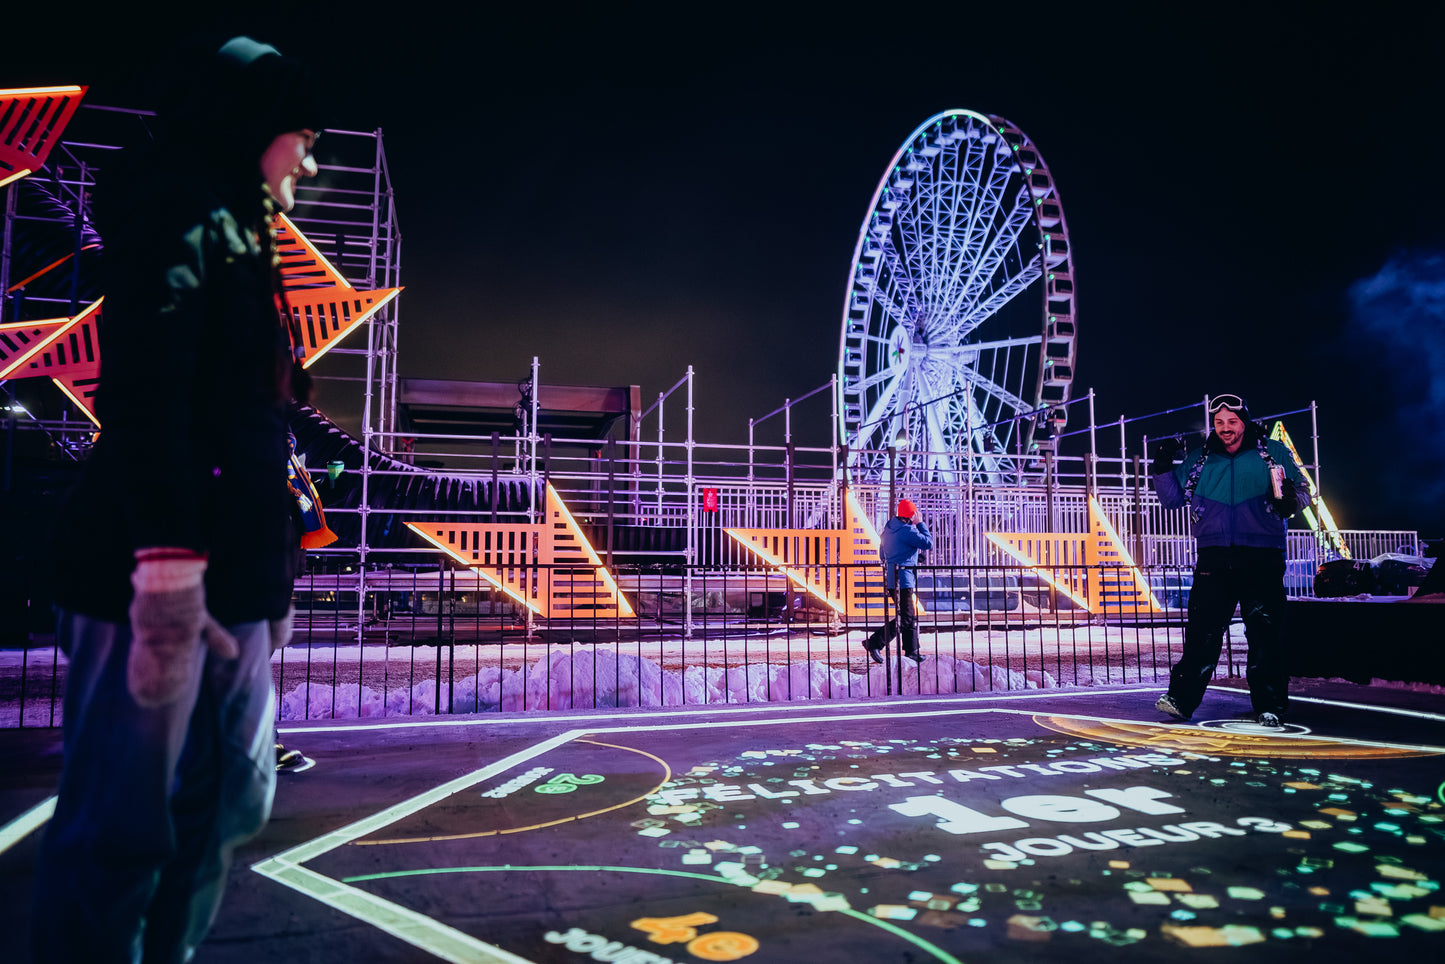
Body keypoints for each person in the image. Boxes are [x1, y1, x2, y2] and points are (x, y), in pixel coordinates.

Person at [31, 36, 323, 962]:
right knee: (124, 824)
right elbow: (147, 389)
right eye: (302, 139)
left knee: (229, 796)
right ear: (253, 128)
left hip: (232, 575)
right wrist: (166, 567)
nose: (310, 163)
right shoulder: (180, 215)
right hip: (156, 575)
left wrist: (264, 571)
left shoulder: (242, 235)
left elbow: (247, 416)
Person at [1149, 394, 1310, 727]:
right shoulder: (1200, 458)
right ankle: (1180, 700)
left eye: (1232, 422)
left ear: (1244, 422)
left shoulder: (1273, 453)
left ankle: (1270, 705)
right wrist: (1162, 466)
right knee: (1202, 633)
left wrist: (1291, 501)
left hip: (1262, 554)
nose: (1225, 428)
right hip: (1214, 554)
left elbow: (1304, 490)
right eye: (1219, 422)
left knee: (1265, 634)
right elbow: (1171, 499)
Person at [863, 498, 933, 665]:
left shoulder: (888, 529)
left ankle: (912, 651)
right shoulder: (907, 530)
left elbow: (883, 553)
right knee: (906, 617)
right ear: (911, 515)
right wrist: (920, 523)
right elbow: (928, 543)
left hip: (893, 579)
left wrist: (911, 557)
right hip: (904, 580)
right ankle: (875, 642)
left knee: (909, 615)